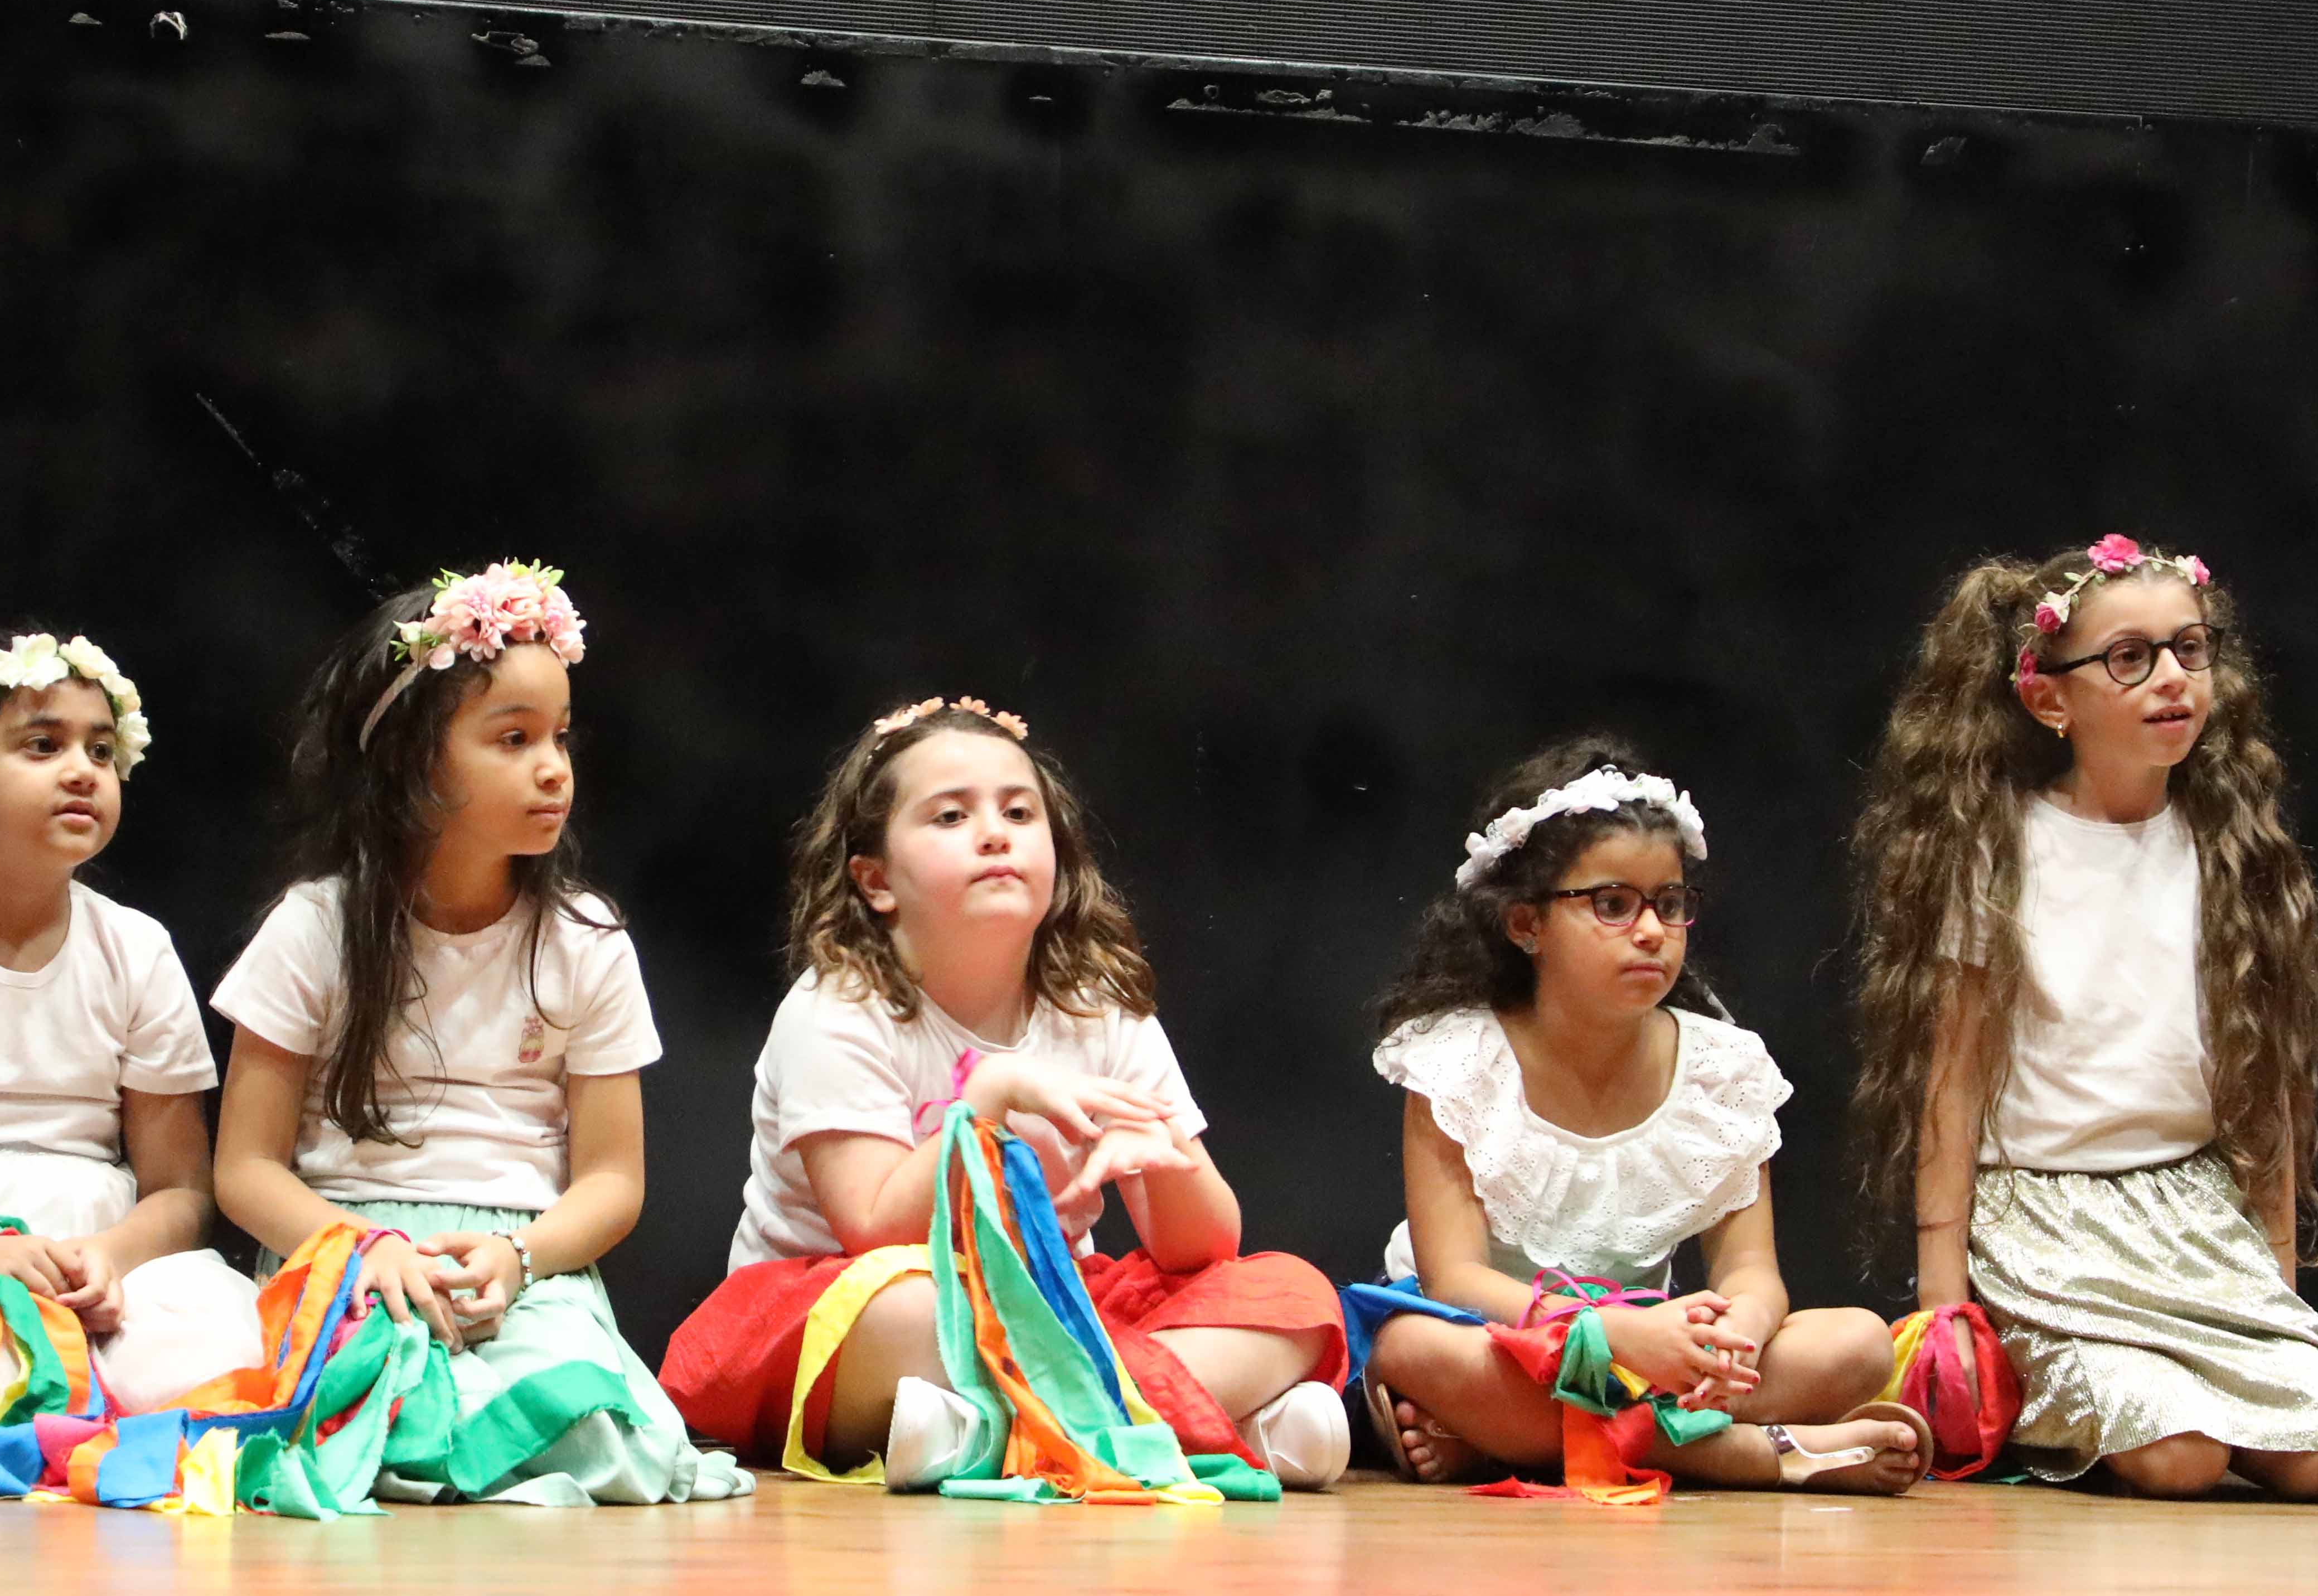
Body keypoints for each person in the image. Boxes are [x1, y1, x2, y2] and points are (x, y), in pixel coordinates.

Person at [660, 697, 1347, 1490]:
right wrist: (985, 1099)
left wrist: (1162, 1161)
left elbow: (1204, 1248)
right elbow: (874, 1231)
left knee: (1295, 1295)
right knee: (912, 1307)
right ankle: (1211, 1420)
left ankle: (987, 1432)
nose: (994, 833)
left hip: (1049, 1305)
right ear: (876, 881)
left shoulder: (1098, 1006)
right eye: (951, 817)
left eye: (1019, 813)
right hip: (847, 1305)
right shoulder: (837, 1008)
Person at [209, 562, 746, 1505]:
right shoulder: (314, 927)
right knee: (352, 1410)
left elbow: (613, 1180)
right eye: (513, 738)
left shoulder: (585, 940)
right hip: (347, 1244)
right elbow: (246, 1169)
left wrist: (521, 1257)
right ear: (413, 761)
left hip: (518, 1259)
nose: (554, 767)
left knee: (602, 1436)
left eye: (561, 737)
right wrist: (366, 1248)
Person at [1849, 536, 2318, 1500]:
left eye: (2190, 649)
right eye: (2130, 657)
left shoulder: (2233, 851)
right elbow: (1953, 1083)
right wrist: (1945, 1311)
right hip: (2048, 1221)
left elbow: (2263, 1089)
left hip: (2194, 1217)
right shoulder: (2002, 851)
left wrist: (2278, 1290)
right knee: (2178, 1459)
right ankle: (2046, 1395)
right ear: (2050, 699)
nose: (2172, 677)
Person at [1354, 737, 1923, 1494]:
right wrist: (1610, 1332)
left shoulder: (1723, 1069)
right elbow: (1455, 1280)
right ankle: (1750, 1455)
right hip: (1506, 1335)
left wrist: (1737, 1337)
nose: (1652, 931)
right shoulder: (1459, 1060)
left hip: (1652, 1344)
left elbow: (1751, 1270)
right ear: (1525, 924)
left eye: (1670, 905)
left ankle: (1515, 1444)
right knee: (1412, 1351)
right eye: (1613, 905)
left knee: (1857, 1344)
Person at [0, 627, 257, 1419]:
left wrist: (105, 1258)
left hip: (101, 1244)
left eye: (102, 751)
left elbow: (180, 1188)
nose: (83, 771)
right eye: (44, 746)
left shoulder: (136, 947)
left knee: (225, 1354)